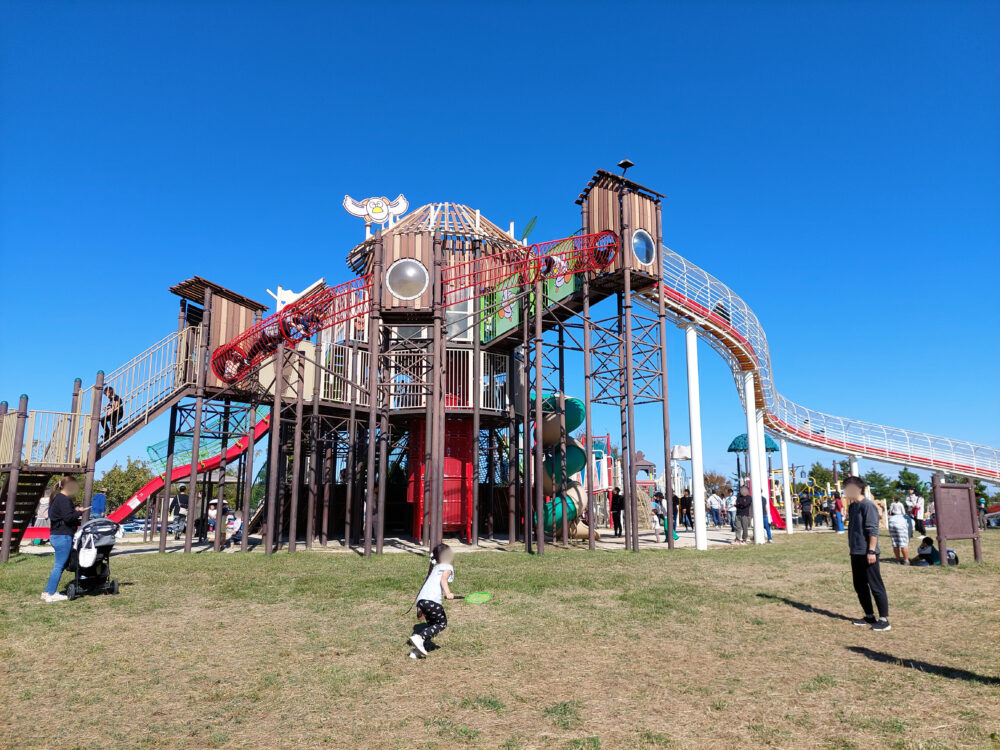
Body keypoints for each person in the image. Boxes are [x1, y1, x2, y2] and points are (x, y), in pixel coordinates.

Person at [844, 476, 890, 631]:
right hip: (855, 552)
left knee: (875, 585)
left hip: (868, 553)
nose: (845, 492)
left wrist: (871, 550)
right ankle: (869, 615)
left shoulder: (867, 505)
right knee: (860, 585)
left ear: (857, 489)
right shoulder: (853, 506)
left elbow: (873, 530)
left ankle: (884, 620)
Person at [408, 542, 455, 658]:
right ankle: (419, 638)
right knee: (441, 623)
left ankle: (416, 651)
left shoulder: (434, 569)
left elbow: (426, 588)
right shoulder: (447, 567)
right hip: (432, 601)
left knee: (431, 626)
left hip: (422, 601)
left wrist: (420, 610)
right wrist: (448, 593)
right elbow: (443, 580)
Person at [41, 476, 84, 602]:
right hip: (63, 536)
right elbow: (68, 518)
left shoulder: (56, 499)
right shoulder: (64, 500)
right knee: (59, 566)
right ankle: (51, 594)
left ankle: (48, 591)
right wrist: (79, 512)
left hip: (56, 535)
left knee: (60, 564)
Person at [887, 498, 910, 565]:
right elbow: (903, 511)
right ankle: (906, 560)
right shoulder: (900, 504)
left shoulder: (892, 503)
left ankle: (898, 560)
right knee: (903, 543)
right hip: (900, 520)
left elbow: (890, 510)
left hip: (892, 520)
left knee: (895, 542)